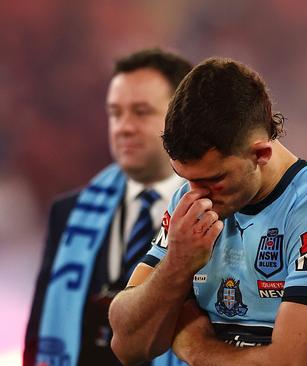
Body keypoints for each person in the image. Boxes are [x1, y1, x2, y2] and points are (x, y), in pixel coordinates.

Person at [108, 57, 307, 366]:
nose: (197, 195)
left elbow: (293, 363)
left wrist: (196, 347)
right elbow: (128, 343)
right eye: (186, 178)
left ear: (260, 153)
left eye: (214, 179)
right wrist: (176, 266)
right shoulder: (190, 202)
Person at [24, 48, 193, 366]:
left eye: (141, 111)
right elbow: (36, 339)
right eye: (116, 113)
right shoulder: (68, 213)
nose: (124, 127)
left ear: (185, 117)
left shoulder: (224, 215)